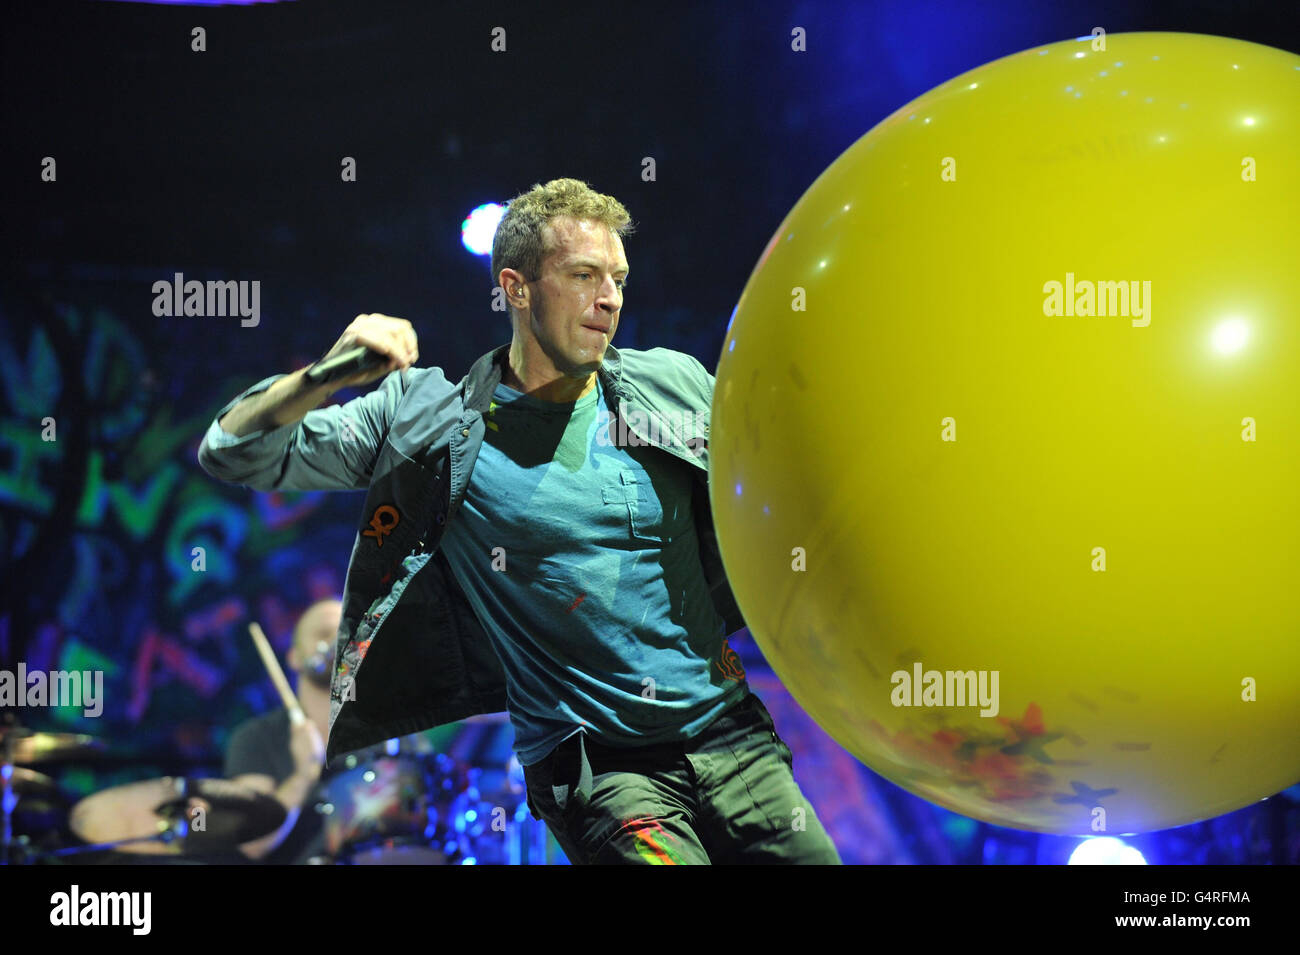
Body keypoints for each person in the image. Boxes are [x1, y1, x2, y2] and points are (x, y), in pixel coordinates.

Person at [198, 177, 840, 864]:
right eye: (584, 275)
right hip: (606, 773)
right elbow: (232, 452)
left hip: (731, 737)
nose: (610, 297)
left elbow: (782, 477)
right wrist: (324, 375)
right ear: (517, 287)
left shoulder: (670, 383)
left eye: (618, 277)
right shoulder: (434, 422)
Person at [223, 599, 334, 863]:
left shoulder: (384, 736)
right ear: (295, 657)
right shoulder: (255, 739)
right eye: (323, 634)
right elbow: (250, 842)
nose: (337, 642)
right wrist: (304, 774)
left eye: (347, 634)